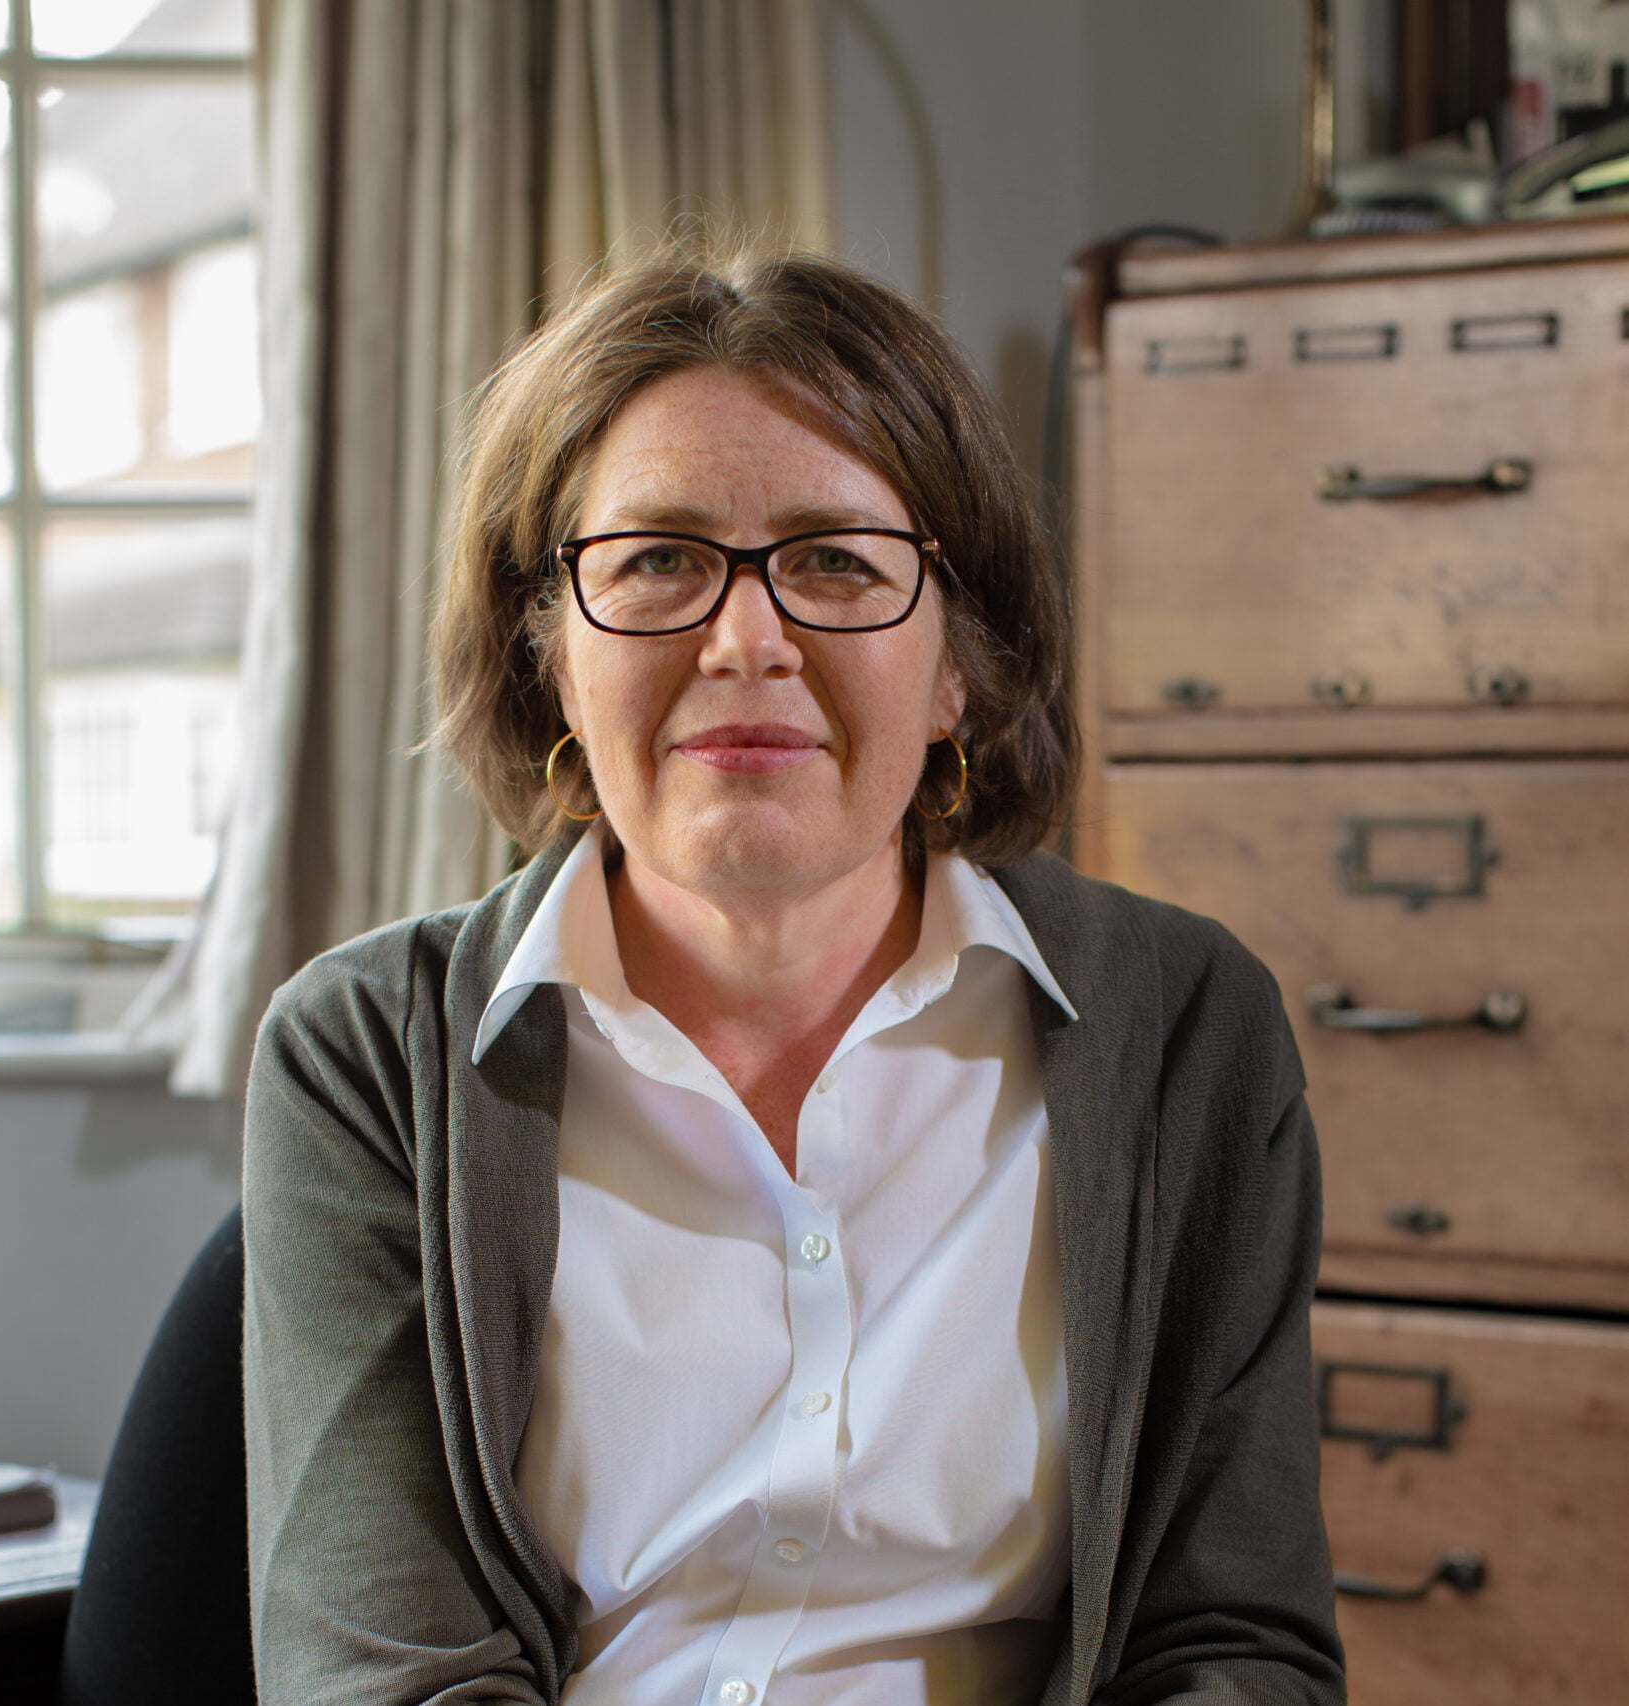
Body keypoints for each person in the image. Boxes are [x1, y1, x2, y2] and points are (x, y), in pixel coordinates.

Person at [242, 247, 1346, 1706]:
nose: (744, 639)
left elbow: (1237, 1646)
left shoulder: (1187, 1028)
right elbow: (379, 1670)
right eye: (655, 561)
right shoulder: (364, 1055)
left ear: (958, 658)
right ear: (549, 653)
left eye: (834, 560)